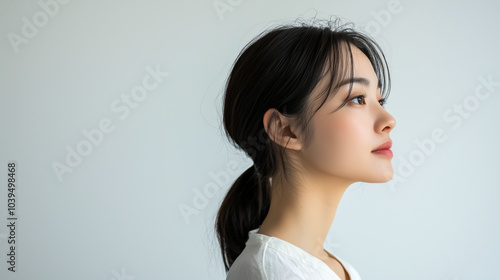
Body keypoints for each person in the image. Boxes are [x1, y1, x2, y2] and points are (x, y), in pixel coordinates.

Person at [215, 16, 396, 280]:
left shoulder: (332, 268)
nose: (388, 121)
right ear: (285, 130)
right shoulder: (273, 273)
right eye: (357, 99)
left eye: (380, 100)